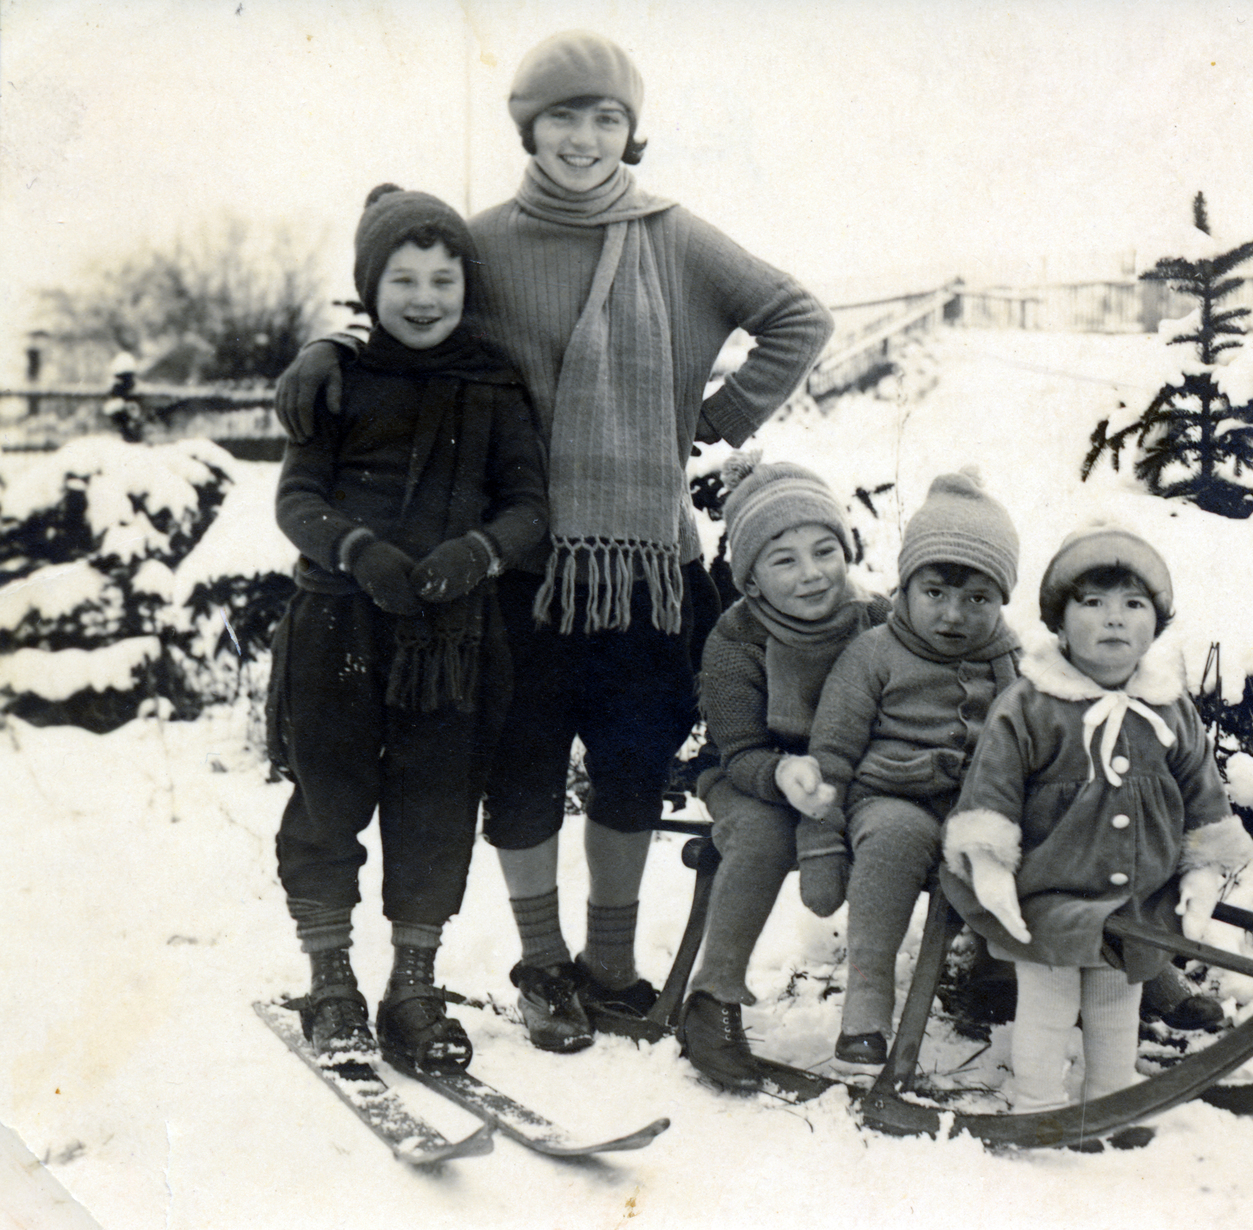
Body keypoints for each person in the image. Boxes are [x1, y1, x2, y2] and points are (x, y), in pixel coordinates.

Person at [274, 31, 834, 1054]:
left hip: (646, 571)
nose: (584, 139)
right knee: (522, 772)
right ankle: (541, 965)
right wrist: (329, 345)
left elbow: (796, 316)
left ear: (631, 130)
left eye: (605, 118)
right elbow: (406, 311)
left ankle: (609, 967)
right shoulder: (483, 244)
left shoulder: (675, 238)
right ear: (528, 127)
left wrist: (720, 416)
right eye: (563, 118)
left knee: (629, 765)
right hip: (516, 566)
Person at [269, 185, 547, 1074]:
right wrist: (356, 550)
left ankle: (413, 989)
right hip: (339, 627)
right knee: (329, 798)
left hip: (450, 642)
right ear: (369, 285)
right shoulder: (337, 378)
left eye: (443, 279)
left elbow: (530, 506)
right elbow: (296, 497)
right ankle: (332, 980)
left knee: (436, 807)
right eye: (403, 279)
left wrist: (480, 552)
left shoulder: (493, 384)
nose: (425, 298)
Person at [940, 526, 1253, 1111]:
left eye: (1133, 605)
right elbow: (991, 793)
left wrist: (1203, 870)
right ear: (1060, 622)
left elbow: (1203, 795)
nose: (1115, 619)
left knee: (1117, 1007)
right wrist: (988, 866)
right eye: (1093, 603)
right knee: (1050, 1007)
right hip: (1048, 901)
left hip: (1136, 904)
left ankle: (1112, 1098)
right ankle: (1036, 1101)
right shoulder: (1030, 705)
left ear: (1155, 625)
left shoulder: (1169, 707)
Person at [787, 471, 1023, 1065]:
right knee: (894, 840)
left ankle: (1008, 970)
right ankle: (867, 1003)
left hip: (981, 805)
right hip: (893, 798)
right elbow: (830, 757)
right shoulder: (873, 655)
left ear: (1001, 601)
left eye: (978, 599)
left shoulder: (1013, 661)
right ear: (906, 586)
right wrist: (819, 842)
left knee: (1047, 827)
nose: (953, 615)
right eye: (936, 592)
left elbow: (1042, 742)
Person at [676, 452, 889, 1091]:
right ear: (751, 580)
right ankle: (714, 997)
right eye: (784, 560)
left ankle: (999, 968)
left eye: (824, 551)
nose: (812, 575)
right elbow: (738, 749)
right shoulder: (737, 639)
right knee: (764, 833)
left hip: (861, 774)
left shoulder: (878, 620)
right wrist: (780, 775)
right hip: (754, 772)